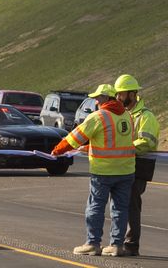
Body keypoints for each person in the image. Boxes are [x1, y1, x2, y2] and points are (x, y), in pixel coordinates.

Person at [51, 84, 140, 257]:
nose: (96, 101)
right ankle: (116, 245)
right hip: (126, 170)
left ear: (107, 98)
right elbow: (116, 141)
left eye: (98, 98)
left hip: (104, 171)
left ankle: (92, 243)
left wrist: (57, 151)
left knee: (95, 207)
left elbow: (74, 138)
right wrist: (90, 147)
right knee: (120, 209)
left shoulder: (99, 117)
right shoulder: (127, 116)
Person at [113, 75, 160, 256]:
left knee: (132, 204)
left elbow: (147, 142)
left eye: (121, 94)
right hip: (125, 164)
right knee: (121, 203)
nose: (118, 98)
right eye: (117, 95)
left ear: (132, 94)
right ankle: (121, 242)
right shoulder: (126, 115)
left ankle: (131, 245)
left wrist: (124, 148)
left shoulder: (146, 116)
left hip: (139, 166)